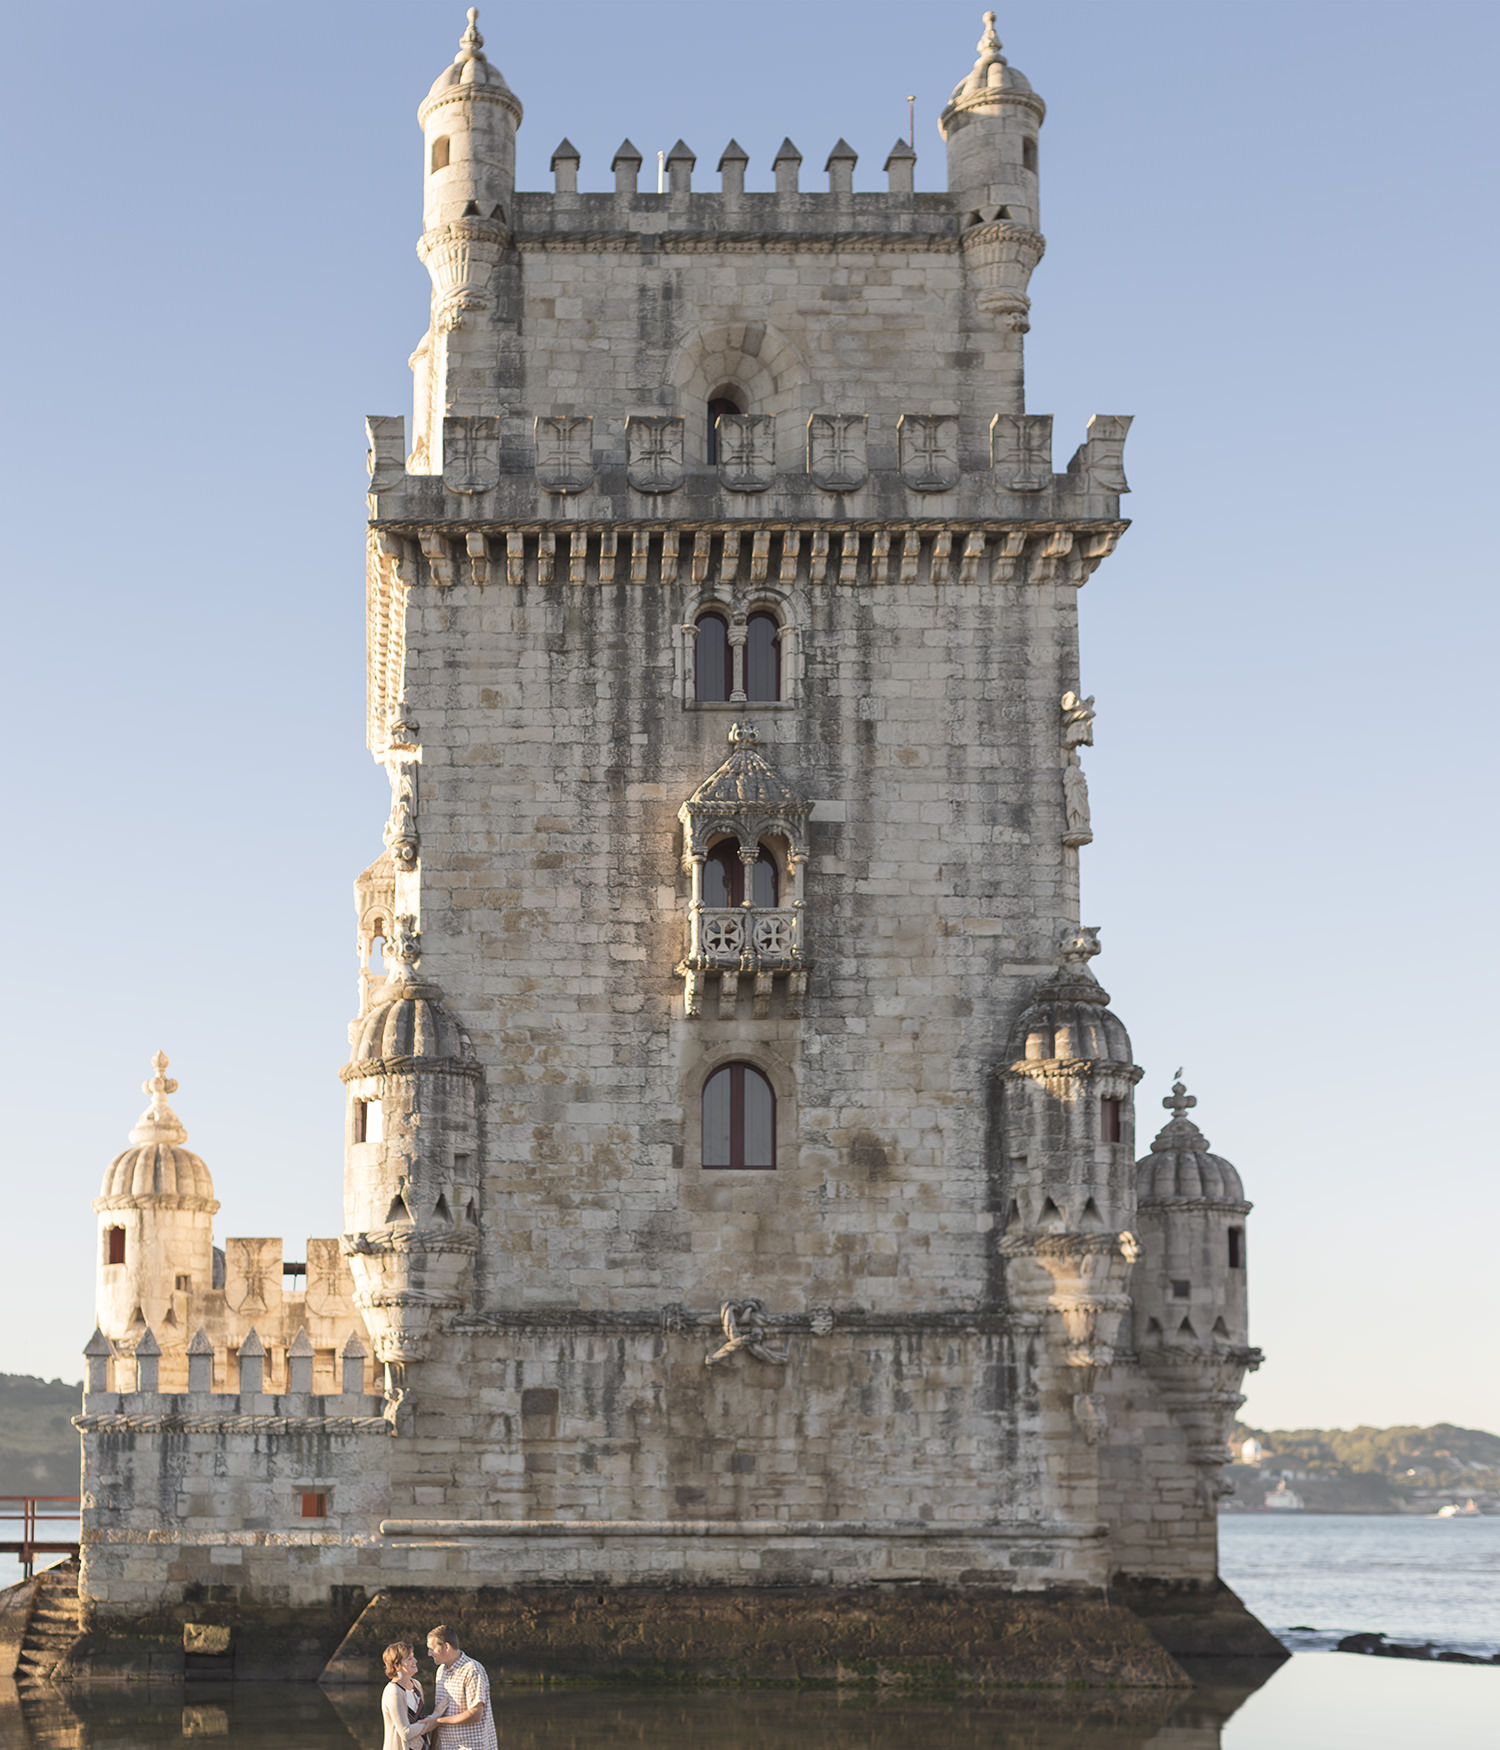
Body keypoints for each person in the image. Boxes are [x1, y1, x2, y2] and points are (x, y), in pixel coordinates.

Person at [424, 1624, 497, 1750]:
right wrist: (432, 1747)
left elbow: (476, 1714)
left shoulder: (472, 1670)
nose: (429, 1653)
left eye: (432, 1649)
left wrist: (438, 1721)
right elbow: (439, 1713)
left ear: (446, 1647)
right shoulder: (441, 1671)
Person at [380, 1642, 431, 1750]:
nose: (415, 1661)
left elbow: (419, 1720)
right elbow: (405, 1733)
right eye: (409, 1659)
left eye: (413, 1657)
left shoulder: (417, 1685)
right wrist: (433, 1720)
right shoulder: (393, 1692)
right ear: (397, 1665)